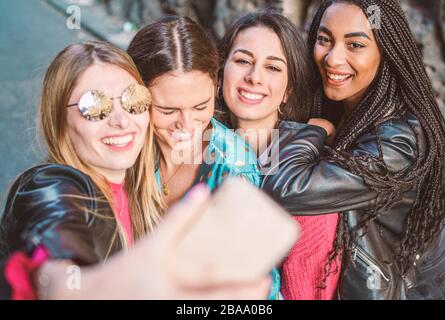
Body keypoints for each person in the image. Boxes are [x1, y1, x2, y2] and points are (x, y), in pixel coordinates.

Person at [0, 41, 270, 300]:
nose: (121, 120)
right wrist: (71, 289)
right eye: (94, 107)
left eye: (134, 100)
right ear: (59, 120)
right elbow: (54, 236)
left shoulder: (141, 184)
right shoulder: (52, 184)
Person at [261, 0, 445, 299]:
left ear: (385, 52)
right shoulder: (346, 108)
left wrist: (315, 131)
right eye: (324, 40)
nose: (333, 58)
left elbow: (288, 189)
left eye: (355, 45)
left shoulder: (397, 141)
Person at [127, 16, 282, 299]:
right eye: (168, 110)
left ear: (215, 84)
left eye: (201, 106)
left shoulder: (234, 168)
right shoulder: (126, 145)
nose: (187, 125)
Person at [216, 10, 341, 300]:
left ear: (288, 92)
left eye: (272, 68)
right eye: (243, 61)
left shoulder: (310, 174)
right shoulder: (198, 148)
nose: (254, 77)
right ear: (222, 70)